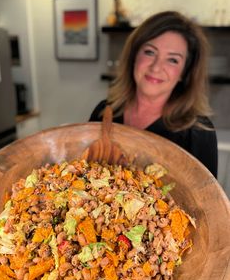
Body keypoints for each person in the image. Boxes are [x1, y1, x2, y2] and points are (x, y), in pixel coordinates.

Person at [89, 11, 218, 178]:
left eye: (173, 60)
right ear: (134, 56)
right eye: (150, 52)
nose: (156, 67)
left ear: (184, 73)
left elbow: (208, 201)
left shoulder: (198, 133)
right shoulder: (104, 111)